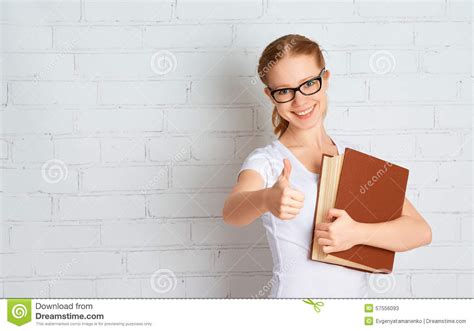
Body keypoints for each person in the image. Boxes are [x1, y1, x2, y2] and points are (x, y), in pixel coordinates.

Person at [222, 34, 432, 298]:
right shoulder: (268, 161)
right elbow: (231, 212)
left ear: (325, 80)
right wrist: (266, 198)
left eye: (308, 83)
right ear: (270, 95)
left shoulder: (355, 162)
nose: (299, 101)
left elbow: (419, 231)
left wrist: (356, 233)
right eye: (285, 90)